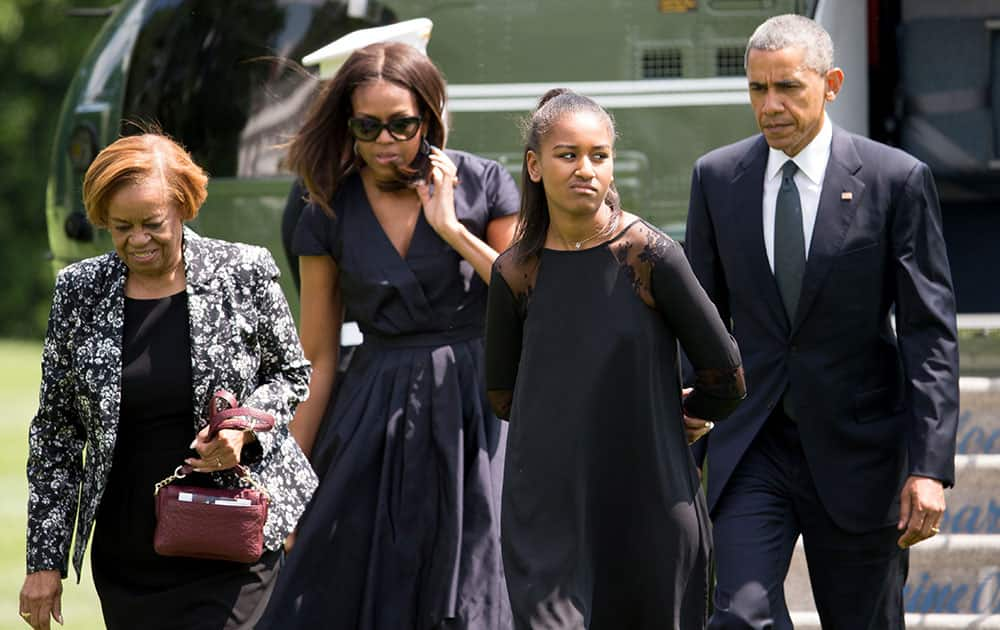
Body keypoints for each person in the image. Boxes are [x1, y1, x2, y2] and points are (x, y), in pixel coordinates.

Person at [683, 14, 960, 629]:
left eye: (788, 87)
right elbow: (700, 313)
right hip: (753, 443)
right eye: (757, 89)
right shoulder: (716, 178)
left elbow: (927, 332)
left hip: (860, 450)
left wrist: (929, 466)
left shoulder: (896, 180)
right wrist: (684, 406)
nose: (770, 104)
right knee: (738, 616)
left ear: (831, 83)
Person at [258, 41, 520, 629]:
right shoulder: (325, 203)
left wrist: (450, 228)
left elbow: (528, 298)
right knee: (335, 585)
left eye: (400, 125)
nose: (384, 142)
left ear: (429, 117)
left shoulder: (484, 183)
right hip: (374, 406)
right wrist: (289, 479)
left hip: (478, 407)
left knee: (475, 589)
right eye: (367, 127)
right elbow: (318, 356)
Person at [18, 133, 318, 630]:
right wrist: (43, 561)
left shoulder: (242, 271)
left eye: (152, 224)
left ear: (183, 208)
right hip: (130, 551)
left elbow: (290, 374)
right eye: (121, 227)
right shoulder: (79, 292)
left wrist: (242, 429)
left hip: (233, 534)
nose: (137, 239)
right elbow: (57, 434)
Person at [484, 88, 746, 630]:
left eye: (599, 155)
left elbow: (727, 373)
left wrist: (683, 413)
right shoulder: (513, 273)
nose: (586, 169)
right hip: (547, 512)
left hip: (649, 500)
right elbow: (503, 395)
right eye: (568, 154)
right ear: (534, 166)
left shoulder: (651, 255)